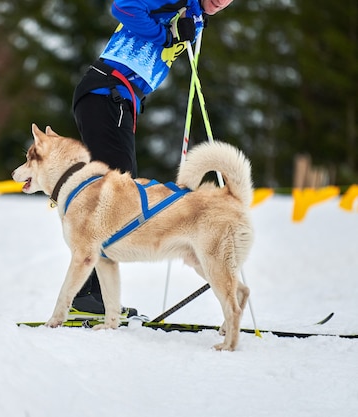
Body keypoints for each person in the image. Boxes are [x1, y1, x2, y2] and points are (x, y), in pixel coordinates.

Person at [70, 0, 234, 317]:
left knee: (110, 194)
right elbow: (124, 7)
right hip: (108, 91)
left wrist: (181, 30)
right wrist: (167, 36)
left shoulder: (196, 17)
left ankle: (89, 295)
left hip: (119, 98)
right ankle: (89, 297)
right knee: (117, 196)